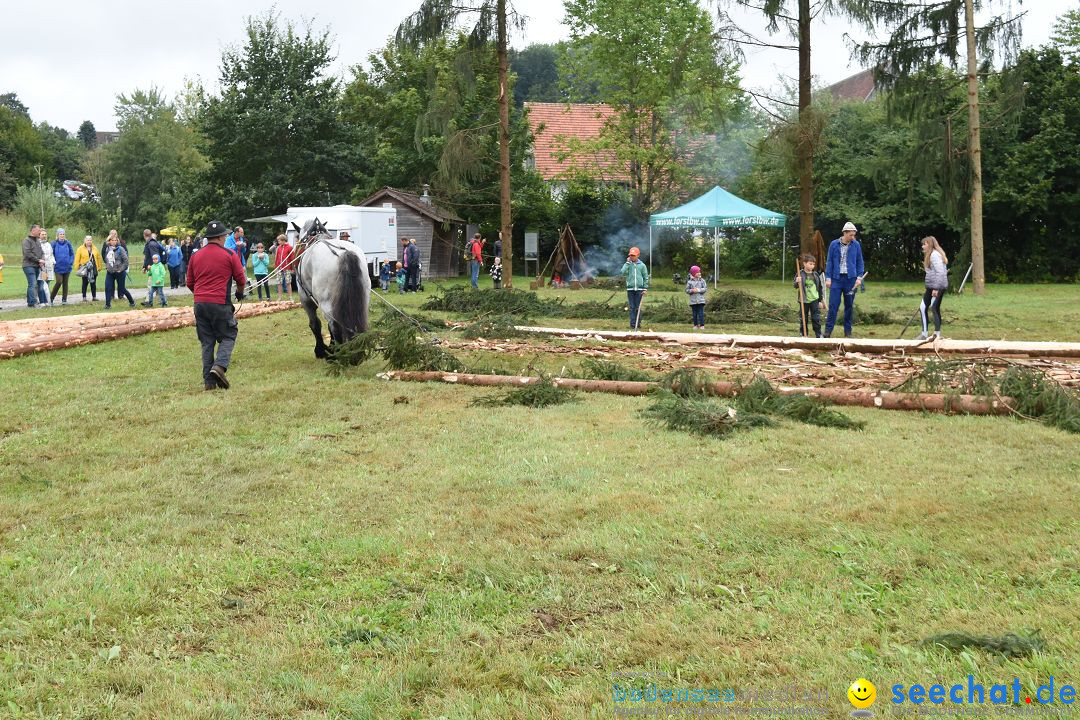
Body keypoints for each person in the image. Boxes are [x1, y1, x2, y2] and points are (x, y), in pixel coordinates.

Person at [187, 220, 246, 390]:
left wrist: (201, 295)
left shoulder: (195, 256)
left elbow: (190, 282)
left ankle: (209, 382)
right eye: (225, 235)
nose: (226, 237)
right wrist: (240, 293)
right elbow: (241, 279)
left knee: (207, 342)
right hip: (220, 303)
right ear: (220, 237)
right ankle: (219, 367)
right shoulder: (229, 255)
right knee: (229, 334)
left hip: (199, 303)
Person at [823, 221, 865, 338]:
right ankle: (827, 331)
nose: (853, 237)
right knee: (833, 305)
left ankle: (848, 332)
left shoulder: (856, 245)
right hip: (836, 279)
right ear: (844, 233)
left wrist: (859, 277)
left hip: (850, 279)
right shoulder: (833, 244)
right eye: (851, 235)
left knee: (849, 306)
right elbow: (829, 261)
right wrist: (828, 277)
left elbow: (860, 262)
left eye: (854, 235)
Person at [916, 236, 949, 341]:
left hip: (937, 286)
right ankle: (924, 334)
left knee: (934, 307)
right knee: (922, 307)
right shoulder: (930, 255)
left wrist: (936, 288)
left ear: (929, 244)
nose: (922, 246)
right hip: (931, 286)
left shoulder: (934, 255)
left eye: (924, 244)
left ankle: (937, 334)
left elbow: (940, 272)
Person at [794, 253, 825, 338]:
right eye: (810, 264)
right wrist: (797, 281)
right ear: (804, 263)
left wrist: (820, 300)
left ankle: (818, 334)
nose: (812, 266)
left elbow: (820, 287)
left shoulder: (815, 275)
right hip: (803, 299)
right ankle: (803, 333)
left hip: (814, 299)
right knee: (804, 318)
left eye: (813, 264)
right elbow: (795, 286)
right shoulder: (800, 273)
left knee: (816, 318)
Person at [103, 231, 135, 309]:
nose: (114, 242)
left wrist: (121, 269)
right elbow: (106, 258)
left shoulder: (120, 249)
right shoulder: (108, 248)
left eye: (115, 240)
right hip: (110, 272)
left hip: (119, 272)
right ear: (109, 241)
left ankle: (132, 302)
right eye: (112, 240)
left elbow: (126, 261)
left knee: (122, 289)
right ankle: (107, 305)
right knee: (108, 287)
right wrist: (107, 266)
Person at [620, 246, 649, 330]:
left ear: (638, 255)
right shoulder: (628, 265)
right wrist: (627, 263)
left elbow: (645, 277)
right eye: (631, 255)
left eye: (634, 255)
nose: (632, 257)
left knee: (638, 307)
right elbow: (622, 272)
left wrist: (645, 288)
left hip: (639, 289)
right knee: (632, 307)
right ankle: (632, 324)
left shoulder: (642, 265)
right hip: (630, 289)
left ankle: (638, 323)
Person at [73, 235, 103, 302]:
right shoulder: (80, 249)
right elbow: (77, 259)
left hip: (94, 267)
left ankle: (94, 297)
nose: (89, 241)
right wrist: (77, 267)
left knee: (93, 282)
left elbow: (98, 258)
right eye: (88, 240)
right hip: (85, 268)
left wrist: (100, 266)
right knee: (85, 282)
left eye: (90, 240)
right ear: (85, 241)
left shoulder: (95, 248)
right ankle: (84, 297)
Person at [51, 228, 76, 304]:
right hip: (57, 267)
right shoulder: (54, 243)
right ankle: (51, 298)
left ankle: (64, 300)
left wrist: (70, 262)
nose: (62, 235)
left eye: (63, 234)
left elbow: (72, 254)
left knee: (65, 283)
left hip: (67, 267)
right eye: (60, 234)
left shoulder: (68, 243)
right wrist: (53, 262)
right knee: (59, 282)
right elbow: (51, 254)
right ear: (57, 235)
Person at [21, 224, 44, 308]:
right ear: (33, 230)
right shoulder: (26, 241)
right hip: (28, 265)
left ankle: (30, 302)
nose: (40, 232)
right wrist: (38, 260)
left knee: (32, 284)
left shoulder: (38, 241)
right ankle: (33, 302)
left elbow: (41, 252)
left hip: (37, 266)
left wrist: (42, 260)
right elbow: (27, 253)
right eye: (38, 230)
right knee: (33, 284)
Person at [685, 265, 707, 330]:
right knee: (694, 314)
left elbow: (705, 288)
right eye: (698, 272)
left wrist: (698, 290)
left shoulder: (702, 281)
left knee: (701, 314)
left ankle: (702, 325)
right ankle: (695, 325)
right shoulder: (689, 282)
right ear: (694, 273)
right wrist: (692, 290)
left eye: (699, 272)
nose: (699, 273)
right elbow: (687, 290)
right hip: (693, 301)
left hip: (701, 300)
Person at [273, 234, 294, 301]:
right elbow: (276, 258)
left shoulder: (289, 247)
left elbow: (292, 258)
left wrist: (292, 268)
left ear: (283, 240)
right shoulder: (278, 248)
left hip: (287, 267)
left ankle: (290, 297)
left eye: (279, 241)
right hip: (279, 268)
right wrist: (276, 267)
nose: (278, 242)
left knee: (288, 282)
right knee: (279, 282)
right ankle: (279, 297)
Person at [38, 229, 55, 305]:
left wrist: (53, 262)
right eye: (42, 234)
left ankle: (46, 301)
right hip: (42, 267)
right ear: (39, 235)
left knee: (47, 284)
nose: (44, 236)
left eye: (45, 234)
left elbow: (51, 254)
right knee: (41, 284)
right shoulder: (38, 244)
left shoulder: (48, 244)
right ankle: (41, 301)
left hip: (49, 267)